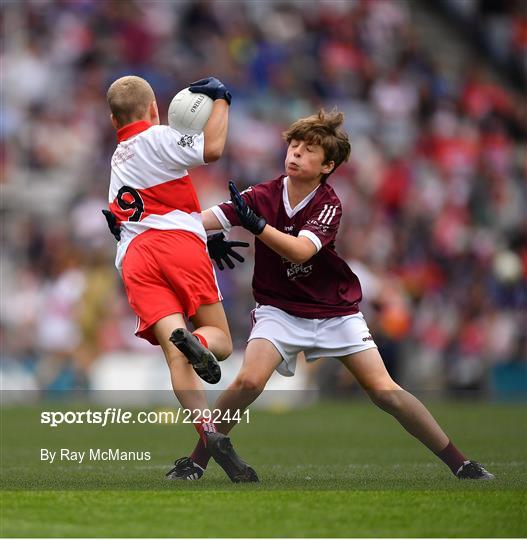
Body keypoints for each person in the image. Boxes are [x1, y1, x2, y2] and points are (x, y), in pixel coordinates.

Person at [172, 108, 494, 481]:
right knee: (247, 382)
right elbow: (195, 219)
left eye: (308, 150)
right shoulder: (261, 194)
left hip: (334, 311)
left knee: (384, 391)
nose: (295, 153)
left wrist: (256, 225)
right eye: (293, 145)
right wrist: (183, 231)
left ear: (328, 165)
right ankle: (196, 462)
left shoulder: (329, 203)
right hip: (279, 309)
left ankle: (461, 463)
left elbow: (300, 251)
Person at [104, 75, 256, 483]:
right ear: (154, 110)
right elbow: (213, 148)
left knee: (176, 353)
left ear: (112, 118)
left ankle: (207, 432)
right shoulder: (157, 137)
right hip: (177, 247)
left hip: (136, 259)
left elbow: (130, 219)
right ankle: (200, 344)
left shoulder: (118, 158)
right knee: (219, 341)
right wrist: (221, 99)